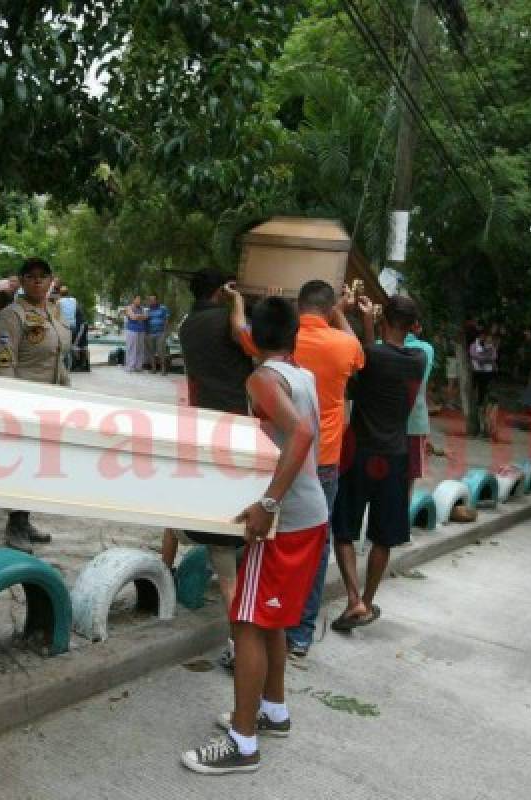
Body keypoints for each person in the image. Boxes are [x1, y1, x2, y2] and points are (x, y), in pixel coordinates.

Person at [180, 297, 326, 775]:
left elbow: (301, 434)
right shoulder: (301, 373)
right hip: (310, 513)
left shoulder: (262, 378)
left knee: (246, 624)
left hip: (284, 520)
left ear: (251, 338)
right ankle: (273, 711)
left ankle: (243, 743)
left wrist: (267, 504)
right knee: (271, 620)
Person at [162, 270, 258, 671]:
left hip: (200, 424)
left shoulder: (188, 325)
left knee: (178, 508)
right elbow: (251, 344)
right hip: (234, 427)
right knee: (225, 549)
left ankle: (163, 579)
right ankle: (240, 644)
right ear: (224, 291)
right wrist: (240, 304)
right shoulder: (227, 321)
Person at [276, 280, 364, 657]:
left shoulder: (284, 337)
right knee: (315, 544)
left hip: (277, 453)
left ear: (298, 306)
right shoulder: (346, 345)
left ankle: (267, 617)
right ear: (328, 309)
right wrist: (341, 313)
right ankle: (300, 633)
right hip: (323, 456)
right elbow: (359, 353)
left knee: (270, 537)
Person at [329, 294, 426, 632]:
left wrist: (349, 315)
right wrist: (373, 323)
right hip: (395, 457)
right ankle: (367, 602)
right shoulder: (418, 359)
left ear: (384, 318)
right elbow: (377, 357)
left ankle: (353, 599)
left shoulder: (370, 355)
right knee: (382, 537)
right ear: (413, 325)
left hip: (361, 454)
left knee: (343, 529)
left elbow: (364, 356)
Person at [0, 257, 72, 552]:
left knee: (37, 463)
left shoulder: (52, 312)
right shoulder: (12, 316)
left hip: (51, 400)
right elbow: (4, 361)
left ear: (51, 281)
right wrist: (10, 402)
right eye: (31, 276)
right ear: (22, 281)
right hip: (23, 399)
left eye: (43, 276)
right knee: (19, 461)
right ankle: (14, 526)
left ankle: (24, 519)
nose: (38, 281)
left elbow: (59, 354)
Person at [404, 322, 437, 493]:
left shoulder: (379, 346)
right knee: (408, 479)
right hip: (414, 424)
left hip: (382, 425)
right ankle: (403, 517)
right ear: (418, 326)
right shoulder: (425, 349)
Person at [469, 325, 498, 432]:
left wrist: (484, 358)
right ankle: (482, 423)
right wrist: (486, 358)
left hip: (488, 373)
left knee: (488, 396)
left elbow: (493, 357)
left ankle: (487, 425)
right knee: (479, 395)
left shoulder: (491, 348)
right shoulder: (474, 346)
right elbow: (475, 356)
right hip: (478, 373)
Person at [145, 294, 171, 375]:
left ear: (157, 300)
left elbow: (166, 320)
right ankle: (153, 368)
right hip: (150, 333)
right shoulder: (148, 310)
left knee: (161, 351)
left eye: (153, 300)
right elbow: (145, 321)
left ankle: (163, 369)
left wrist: (165, 332)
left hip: (161, 333)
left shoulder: (163, 308)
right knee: (151, 351)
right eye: (150, 300)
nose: (152, 301)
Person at [122, 296, 147, 372]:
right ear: (134, 300)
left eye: (140, 299)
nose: (139, 301)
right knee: (131, 348)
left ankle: (138, 366)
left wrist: (138, 316)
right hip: (131, 330)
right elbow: (132, 317)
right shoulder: (128, 307)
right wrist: (139, 316)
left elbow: (146, 317)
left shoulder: (142, 308)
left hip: (141, 330)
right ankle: (129, 366)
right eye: (137, 299)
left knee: (140, 348)